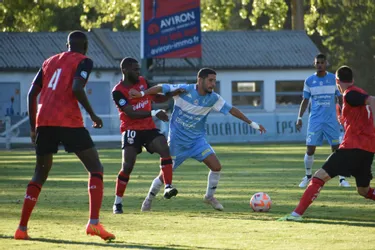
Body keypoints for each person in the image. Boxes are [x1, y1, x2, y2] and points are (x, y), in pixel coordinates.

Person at [14, 31, 115, 241]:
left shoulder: (48, 62)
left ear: (66, 44)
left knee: (39, 174)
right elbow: (77, 87)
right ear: (85, 46)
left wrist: (34, 127)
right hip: (68, 121)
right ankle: (93, 224)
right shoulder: (84, 61)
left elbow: (32, 94)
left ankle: (21, 228)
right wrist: (93, 114)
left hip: (45, 122)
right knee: (96, 168)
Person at [129, 68, 267, 211]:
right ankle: (148, 199)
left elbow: (232, 110)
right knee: (164, 176)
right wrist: (142, 93)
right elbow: (161, 88)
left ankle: (209, 197)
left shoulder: (213, 98)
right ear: (200, 80)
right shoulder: (184, 90)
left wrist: (252, 123)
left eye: (214, 81)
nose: (213, 84)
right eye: (210, 80)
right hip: (177, 143)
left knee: (216, 166)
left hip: (197, 142)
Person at [278, 65, 375, 221]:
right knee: (363, 190)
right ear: (352, 79)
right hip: (367, 149)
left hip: (352, 148)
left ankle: (296, 214)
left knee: (318, 177)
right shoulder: (358, 93)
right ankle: (296, 214)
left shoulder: (350, 94)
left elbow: (373, 100)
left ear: (337, 81)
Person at [111, 57, 178, 214]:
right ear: (125, 70)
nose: (138, 72)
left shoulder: (143, 81)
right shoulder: (118, 91)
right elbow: (130, 113)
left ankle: (168, 187)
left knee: (164, 149)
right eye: (135, 69)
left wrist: (173, 94)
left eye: (138, 69)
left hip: (148, 128)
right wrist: (154, 112)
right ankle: (117, 203)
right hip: (131, 129)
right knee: (127, 166)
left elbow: (156, 97)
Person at [296, 53, 350, 188]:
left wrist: (344, 114)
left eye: (322, 62)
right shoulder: (309, 81)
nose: (320, 65)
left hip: (331, 120)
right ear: (314, 64)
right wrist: (299, 118)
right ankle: (308, 176)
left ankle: (342, 179)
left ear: (326, 63)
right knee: (310, 149)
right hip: (315, 121)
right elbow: (305, 100)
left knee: (337, 149)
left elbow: (340, 98)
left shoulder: (333, 79)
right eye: (317, 62)